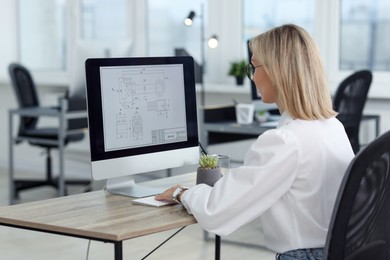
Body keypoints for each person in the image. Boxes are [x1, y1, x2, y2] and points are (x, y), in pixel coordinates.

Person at [155, 24, 354, 260]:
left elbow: (216, 211)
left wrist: (182, 192)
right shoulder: (333, 127)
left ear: (275, 71)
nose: (253, 76)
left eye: (254, 66)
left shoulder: (285, 141)